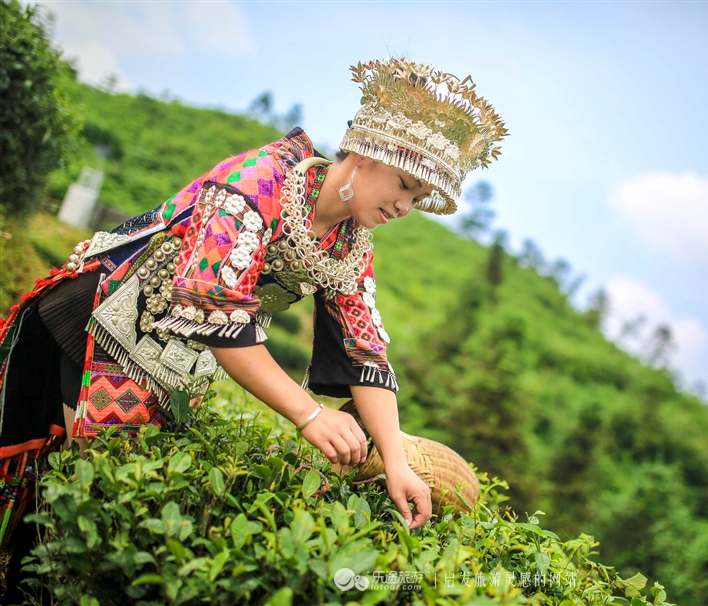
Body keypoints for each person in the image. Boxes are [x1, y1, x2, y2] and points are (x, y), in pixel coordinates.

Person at [0, 57, 506, 597]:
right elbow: (218, 313)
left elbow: (366, 355)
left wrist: (398, 463)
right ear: (364, 156)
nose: (406, 206)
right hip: (91, 324)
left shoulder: (351, 245)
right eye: (404, 185)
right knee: (53, 503)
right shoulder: (257, 180)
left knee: (92, 515)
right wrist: (307, 414)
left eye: (418, 199)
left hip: (168, 364)